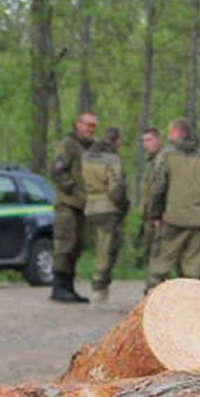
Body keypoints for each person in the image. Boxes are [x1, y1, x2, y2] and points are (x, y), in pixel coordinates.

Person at [146, 117, 200, 290]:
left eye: (170, 131)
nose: (168, 135)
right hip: (199, 219)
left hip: (173, 218)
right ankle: (189, 308)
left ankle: (150, 305)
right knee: (193, 269)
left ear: (177, 132)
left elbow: (158, 188)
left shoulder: (166, 155)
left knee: (160, 264)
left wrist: (155, 214)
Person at [50, 112, 97, 303]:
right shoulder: (67, 145)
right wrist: (73, 189)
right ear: (77, 125)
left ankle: (69, 286)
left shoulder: (90, 148)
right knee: (64, 243)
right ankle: (58, 286)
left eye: (93, 126)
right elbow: (57, 171)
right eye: (87, 125)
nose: (90, 130)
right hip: (67, 203)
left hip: (82, 204)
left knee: (76, 245)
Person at [81, 126, 129, 303]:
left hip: (90, 208)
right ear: (116, 141)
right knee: (107, 251)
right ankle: (99, 289)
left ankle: (97, 286)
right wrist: (124, 205)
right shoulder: (112, 159)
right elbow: (116, 189)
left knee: (98, 249)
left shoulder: (86, 157)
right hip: (107, 208)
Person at [137, 127, 163, 267]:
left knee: (157, 256)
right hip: (148, 216)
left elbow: (160, 189)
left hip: (157, 217)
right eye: (144, 141)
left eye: (149, 139)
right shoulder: (152, 162)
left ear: (158, 140)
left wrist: (157, 214)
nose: (146, 144)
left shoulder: (163, 160)